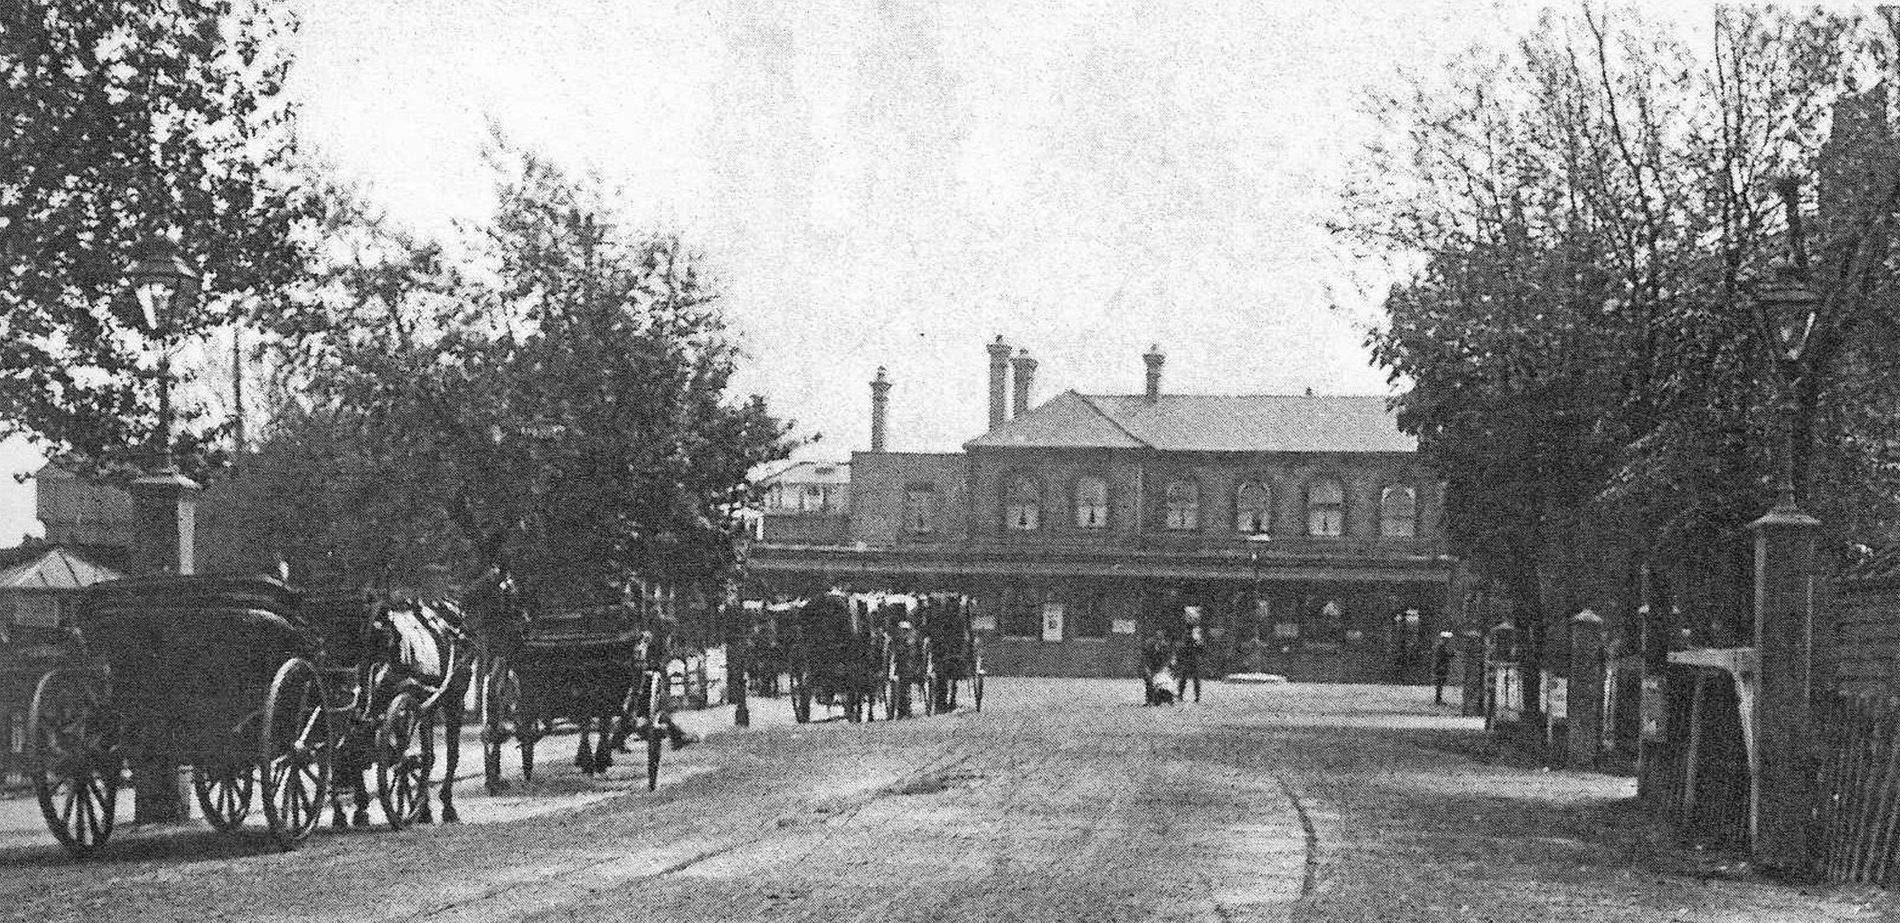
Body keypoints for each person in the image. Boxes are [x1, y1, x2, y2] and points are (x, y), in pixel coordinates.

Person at [1176, 612, 1205, 703]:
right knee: (1184, 677)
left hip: (1193, 656)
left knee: (1194, 678)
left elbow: (1199, 645)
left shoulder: (1196, 631)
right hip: (1187, 656)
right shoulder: (1186, 631)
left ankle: (1196, 696)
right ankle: (1181, 694)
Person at [1140, 630, 1174, 705]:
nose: (1159, 640)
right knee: (1149, 681)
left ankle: (1165, 698)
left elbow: (1167, 660)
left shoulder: (1165, 646)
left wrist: (1162, 670)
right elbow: (1145, 658)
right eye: (1157, 637)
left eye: (1161, 638)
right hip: (1151, 665)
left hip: (1161, 667)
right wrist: (1148, 670)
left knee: (1162, 682)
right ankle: (1149, 700)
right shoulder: (1149, 644)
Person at [1431, 631, 1455, 704]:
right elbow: (1442, 656)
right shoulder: (1441, 647)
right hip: (1441, 667)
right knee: (1440, 683)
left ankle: (1438, 699)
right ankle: (1438, 699)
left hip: (1440, 666)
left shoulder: (1441, 646)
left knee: (1440, 683)